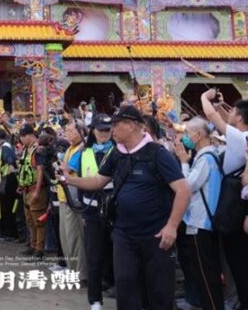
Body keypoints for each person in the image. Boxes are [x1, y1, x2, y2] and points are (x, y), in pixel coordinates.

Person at [63, 105, 190, 310]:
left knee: (158, 290)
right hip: (123, 233)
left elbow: (183, 191)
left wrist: (172, 226)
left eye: (116, 125)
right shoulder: (117, 154)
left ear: (132, 125)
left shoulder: (157, 154)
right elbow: (98, 181)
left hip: (156, 235)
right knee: (126, 285)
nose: (111, 131)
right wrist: (69, 180)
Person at [201, 90, 248, 309]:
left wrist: (204, 97)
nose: (229, 112)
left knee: (239, 262)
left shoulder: (240, 137)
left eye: (233, 111)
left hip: (237, 209)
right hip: (239, 206)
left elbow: (213, 117)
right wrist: (220, 105)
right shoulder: (243, 136)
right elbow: (223, 116)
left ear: (239, 117)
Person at [174, 117, 224, 310]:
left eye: (188, 133)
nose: (186, 137)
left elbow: (187, 187)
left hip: (201, 223)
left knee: (205, 275)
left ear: (199, 135)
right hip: (204, 223)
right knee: (207, 273)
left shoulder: (205, 159)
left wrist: (183, 163)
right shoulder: (210, 155)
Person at [76, 114, 115, 310]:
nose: (104, 134)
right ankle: (95, 299)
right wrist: (83, 211)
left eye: (108, 130)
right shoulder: (85, 153)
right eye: (100, 130)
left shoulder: (119, 152)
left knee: (116, 254)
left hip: (115, 211)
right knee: (94, 257)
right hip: (91, 212)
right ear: (93, 131)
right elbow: (80, 181)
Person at [59, 120, 87, 279]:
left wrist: (62, 167)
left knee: (75, 238)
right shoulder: (71, 148)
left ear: (81, 132)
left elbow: (67, 169)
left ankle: (80, 272)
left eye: (70, 131)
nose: (67, 134)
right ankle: (71, 268)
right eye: (67, 131)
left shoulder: (82, 149)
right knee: (66, 237)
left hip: (74, 198)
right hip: (64, 196)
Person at [16, 124, 47, 258]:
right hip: (26, 189)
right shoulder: (26, 149)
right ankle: (33, 245)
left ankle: (39, 250)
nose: (21, 139)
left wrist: (37, 191)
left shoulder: (38, 150)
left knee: (38, 221)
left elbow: (40, 170)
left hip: (35, 189)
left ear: (30, 135)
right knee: (29, 220)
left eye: (23, 136)